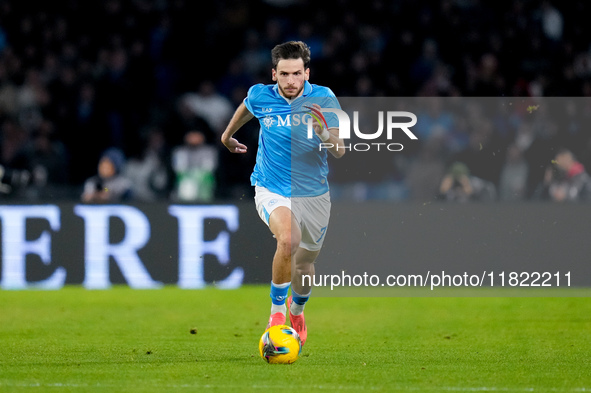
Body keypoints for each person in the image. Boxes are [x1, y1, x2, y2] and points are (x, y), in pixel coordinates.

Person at [220, 41, 345, 347]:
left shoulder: (324, 98)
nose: (291, 80)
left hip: (314, 193)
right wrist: (227, 136)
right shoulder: (261, 95)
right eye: (285, 74)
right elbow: (248, 107)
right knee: (289, 239)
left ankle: (297, 310)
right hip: (270, 186)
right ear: (274, 73)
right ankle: (277, 314)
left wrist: (324, 134)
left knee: (304, 264)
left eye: (297, 73)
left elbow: (340, 150)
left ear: (307, 73)